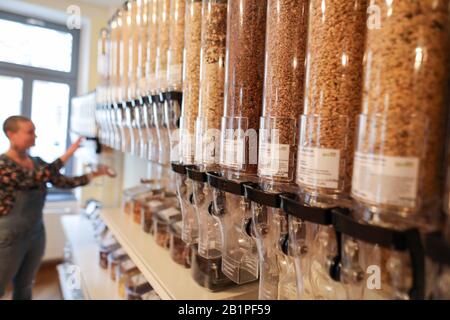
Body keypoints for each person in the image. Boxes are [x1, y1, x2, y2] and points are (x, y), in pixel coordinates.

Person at [0, 115, 113, 300]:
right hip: (8, 236)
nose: (35, 136)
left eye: (34, 131)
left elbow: (63, 181)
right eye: (30, 132)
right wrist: (69, 153)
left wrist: (95, 174)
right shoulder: (3, 165)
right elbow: (34, 178)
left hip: (36, 232)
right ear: (11, 135)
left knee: (25, 284)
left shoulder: (37, 162)